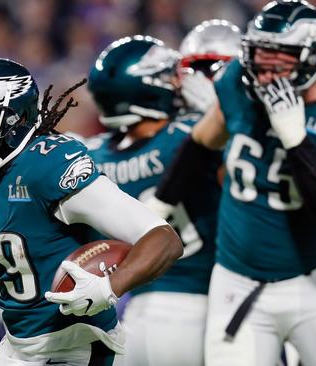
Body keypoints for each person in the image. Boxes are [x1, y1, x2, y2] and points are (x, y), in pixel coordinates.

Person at [0, 57, 183, 366]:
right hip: (17, 348)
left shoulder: (47, 167)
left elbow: (163, 238)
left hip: (80, 345)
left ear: (15, 122)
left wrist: (109, 287)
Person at [148, 1, 316, 365]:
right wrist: (155, 212)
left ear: (312, 59)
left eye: (278, 57)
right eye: (259, 54)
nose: (265, 67)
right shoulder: (238, 84)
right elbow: (202, 143)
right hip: (238, 284)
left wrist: (296, 140)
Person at [85, 23, 239, 366]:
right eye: (171, 76)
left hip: (132, 313)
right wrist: (221, 117)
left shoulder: (92, 156)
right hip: (202, 305)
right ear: (149, 89)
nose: (181, 82)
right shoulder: (189, 136)